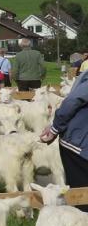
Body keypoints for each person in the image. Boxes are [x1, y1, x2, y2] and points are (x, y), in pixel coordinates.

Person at [41, 69, 88, 203]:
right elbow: (74, 100)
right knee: (81, 194)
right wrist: (55, 127)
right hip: (79, 144)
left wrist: (55, 128)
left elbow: (73, 99)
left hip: (79, 142)